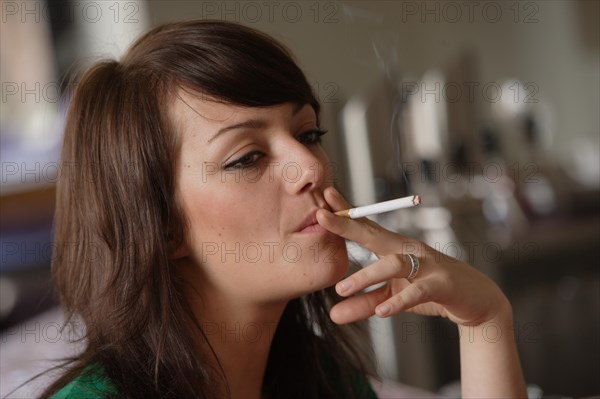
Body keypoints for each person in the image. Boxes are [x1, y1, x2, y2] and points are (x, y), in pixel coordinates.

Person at [39, 20, 526, 398]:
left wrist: (485, 321)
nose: (311, 167)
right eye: (247, 157)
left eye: (308, 134)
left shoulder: (323, 383)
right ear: (163, 226)